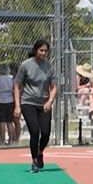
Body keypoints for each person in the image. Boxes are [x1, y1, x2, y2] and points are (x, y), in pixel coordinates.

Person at [13, 40, 58, 172]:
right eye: (41, 50)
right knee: (34, 131)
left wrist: (50, 101)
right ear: (35, 50)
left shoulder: (49, 66)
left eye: (45, 51)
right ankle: (34, 161)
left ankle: (39, 152)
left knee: (45, 133)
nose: (43, 53)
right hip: (28, 102)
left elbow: (54, 87)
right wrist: (17, 106)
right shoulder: (26, 65)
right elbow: (17, 85)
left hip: (43, 103)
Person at [74, 62, 93, 145]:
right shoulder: (78, 76)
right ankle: (80, 104)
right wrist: (86, 86)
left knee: (91, 92)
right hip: (79, 92)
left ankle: (92, 109)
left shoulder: (89, 78)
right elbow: (77, 87)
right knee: (86, 90)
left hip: (87, 93)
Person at [0, 63, 17, 145]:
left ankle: (2, 140)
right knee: (9, 121)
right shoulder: (11, 79)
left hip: (1, 102)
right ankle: (10, 140)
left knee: (2, 122)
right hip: (10, 101)